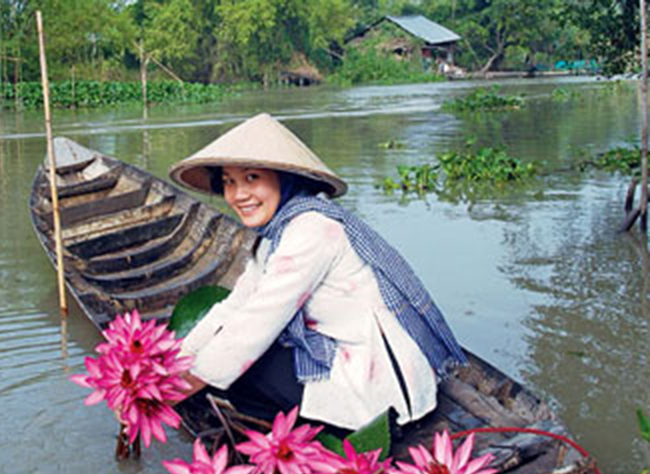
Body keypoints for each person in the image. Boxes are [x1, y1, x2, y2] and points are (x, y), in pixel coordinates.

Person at [168, 113, 466, 435]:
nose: (238, 194)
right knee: (224, 361)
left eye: (252, 177)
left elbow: (256, 323)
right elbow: (236, 305)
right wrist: (176, 360)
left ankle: (321, 433)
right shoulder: (277, 235)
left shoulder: (311, 229)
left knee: (239, 368)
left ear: (285, 179)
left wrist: (173, 390)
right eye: (229, 181)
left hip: (381, 399)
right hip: (352, 362)